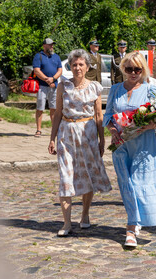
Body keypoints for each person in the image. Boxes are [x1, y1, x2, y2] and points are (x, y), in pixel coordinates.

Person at [103, 52, 156, 248]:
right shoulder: (115, 89)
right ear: (123, 69)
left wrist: (149, 126)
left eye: (137, 69)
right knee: (127, 184)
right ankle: (134, 222)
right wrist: (113, 129)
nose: (133, 73)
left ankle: (132, 227)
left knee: (140, 184)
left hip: (143, 145)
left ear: (143, 70)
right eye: (129, 69)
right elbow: (107, 116)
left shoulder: (151, 89)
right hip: (121, 145)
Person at [48, 49, 112, 237]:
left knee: (88, 175)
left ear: (87, 66)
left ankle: (84, 215)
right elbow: (58, 113)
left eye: (81, 64)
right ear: (70, 66)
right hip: (66, 134)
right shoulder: (63, 86)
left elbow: (99, 115)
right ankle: (67, 222)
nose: (77, 68)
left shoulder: (95, 87)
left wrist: (102, 140)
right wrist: (51, 138)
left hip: (88, 134)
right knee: (65, 177)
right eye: (74, 64)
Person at [33, 38, 62, 138]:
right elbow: (36, 70)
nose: (52, 46)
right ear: (44, 46)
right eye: (50, 45)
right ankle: (38, 130)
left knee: (54, 108)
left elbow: (60, 70)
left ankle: (54, 129)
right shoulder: (39, 56)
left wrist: (53, 79)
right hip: (42, 86)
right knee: (40, 108)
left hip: (54, 86)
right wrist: (47, 79)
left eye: (52, 45)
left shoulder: (56, 57)